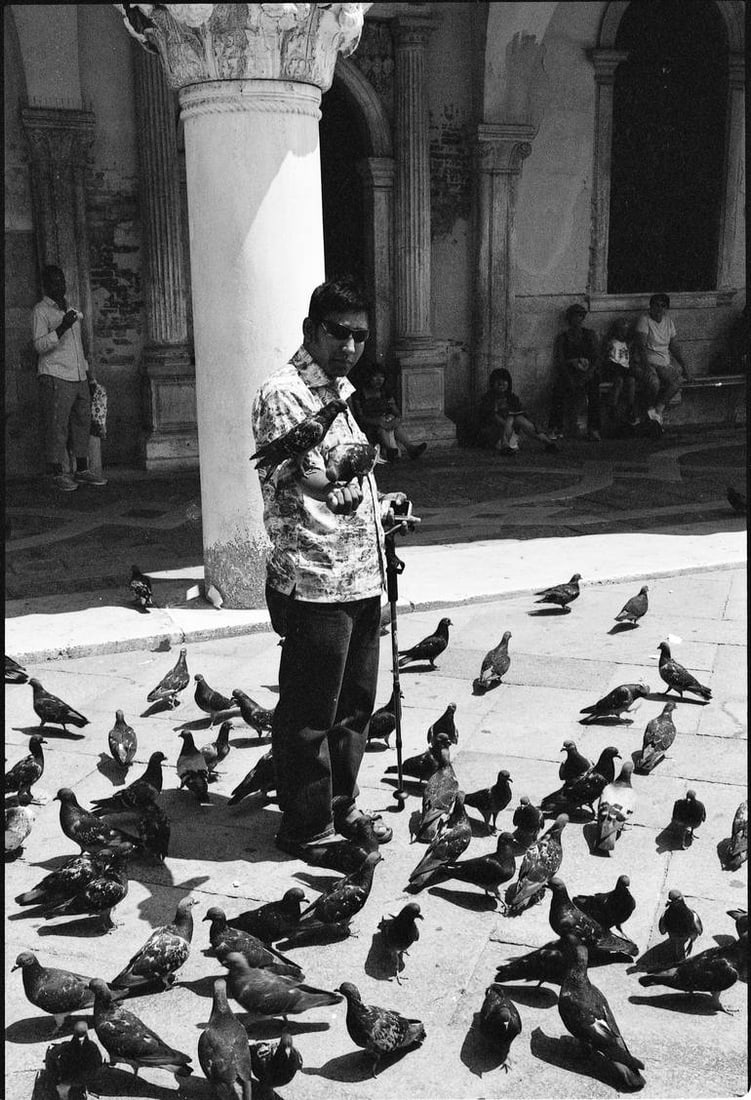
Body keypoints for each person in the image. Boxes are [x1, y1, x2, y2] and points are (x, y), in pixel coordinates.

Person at [251, 276, 407, 859]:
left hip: (362, 574)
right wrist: (332, 491)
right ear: (310, 330)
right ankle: (306, 827)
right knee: (309, 714)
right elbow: (301, 475)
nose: (349, 345)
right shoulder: (283, 393)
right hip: (315, 578)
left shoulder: (340, 393)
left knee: (354, 709)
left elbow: (349, 472)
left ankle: (342, 808)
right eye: (338, 332)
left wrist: (382, 508)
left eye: (360, 336)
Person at [31, 264, 106, 491]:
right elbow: (39, 345)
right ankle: (57, 473)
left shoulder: (70, 309)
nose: (60, 285)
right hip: (55, 374)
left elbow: (78, 347)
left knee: (82, 422)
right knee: (58, 425)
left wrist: (88, 376)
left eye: (62, 280)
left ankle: (82, 469)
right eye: (54, 281)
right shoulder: (40, 311)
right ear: (46, 285)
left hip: (78, 375)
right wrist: (62, 327)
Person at [351, 361, 427, 462]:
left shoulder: (385, 393)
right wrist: (377, 422)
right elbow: (360, 417)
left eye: (381, 377)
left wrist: (395, 421)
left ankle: (410, 448)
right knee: (380, 429)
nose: (379, 380)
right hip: (369, 425)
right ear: (368, 377)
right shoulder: (360, 394)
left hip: (386, 422)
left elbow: (397, 413)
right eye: (375, 377)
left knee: (396, 427)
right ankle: (389, 450)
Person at [634, 293, 690, 426]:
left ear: (666, 308)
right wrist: (646, 366)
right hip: (648, 360)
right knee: (654, 383)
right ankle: (648, 410)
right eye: (656, 305)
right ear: (651, 306)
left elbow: (674, 346)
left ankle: (658, 409)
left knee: (676, 381)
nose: (659, 309)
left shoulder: (668, 321)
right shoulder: (644, 320)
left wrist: (685, 367)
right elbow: (640, 346)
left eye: (663, 306)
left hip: (663, 361)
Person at [549, 303, 602, 441]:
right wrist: (570, 375)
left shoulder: (589, 335)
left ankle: (593, 428)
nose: (577, 319)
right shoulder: (563, 337)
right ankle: (556, 426)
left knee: (594, 392)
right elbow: (560, 361)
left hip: (587, 373)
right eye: (574, 316)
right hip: (570, 372)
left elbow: (596, 358)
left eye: (579, 316)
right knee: (558, 390)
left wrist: (588, 374)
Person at [477, 368, 558, 454]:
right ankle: (505, 445)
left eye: (504, 381)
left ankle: (548, 443)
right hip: (494, 433)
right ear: (492, 383)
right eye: (497, 381)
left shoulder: (512, 398)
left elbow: (522, 417)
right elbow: (491, 417)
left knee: (518, 418)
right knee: (511, 417)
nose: (501, 384)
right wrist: (508, 425)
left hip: (512, 433)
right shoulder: (488, 398)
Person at [605, 317, 639, 428]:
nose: (623, 333)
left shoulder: (627, 344)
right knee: (618, 381)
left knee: (631, 380)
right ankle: (613, 408)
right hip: (614, 367)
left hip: (625, 368)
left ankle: (631, 407)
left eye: (625, 331)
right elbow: (606, 357)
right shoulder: (612, 342)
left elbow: (631, 357)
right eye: (621, 330)